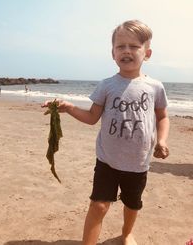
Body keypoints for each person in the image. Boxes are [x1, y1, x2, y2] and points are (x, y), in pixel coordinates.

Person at [42, 20, 170, 245]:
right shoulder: (106, 85)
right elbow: (92, 118)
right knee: (99, 205)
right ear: (113, 53)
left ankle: (127, 233)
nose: (127, 51)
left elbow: (162, 117)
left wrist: (161, 140)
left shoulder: (155, 87)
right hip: (107, 161)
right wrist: (69, 108)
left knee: (132, 204)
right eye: (121, 46)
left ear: (147, 53)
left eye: (134, 46)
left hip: (138, 163)